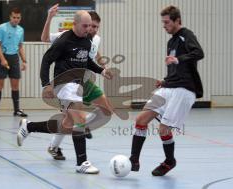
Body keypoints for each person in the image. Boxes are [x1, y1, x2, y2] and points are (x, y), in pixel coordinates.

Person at [17, 10, 113, 174]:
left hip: (79, 84)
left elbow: (87, 61)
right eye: (85, 25)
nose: (88, 28)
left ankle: (29, 127)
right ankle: (82, 163)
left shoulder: (87, 41)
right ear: (74, 24)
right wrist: (46, 84)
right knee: (80, 119)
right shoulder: (64, 41)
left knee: (67, 125)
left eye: (90, 26)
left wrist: (102, 71)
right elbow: (46, 61)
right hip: (64, 84)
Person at [129, 5, 204, 176]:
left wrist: (178, 59)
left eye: (167, 22)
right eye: (163, 22)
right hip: (170, 86)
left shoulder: (187, 35)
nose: (164, 26)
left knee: (164, 128)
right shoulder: (171, 41)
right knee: (141, 119)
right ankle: (134, 159)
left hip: (184, 89)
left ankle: (170, 161)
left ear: (177, 20)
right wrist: (164, 81)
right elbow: (175, 67)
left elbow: (199, 53)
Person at [40, 4, 114, 161]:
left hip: (84, 80)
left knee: (105, 110)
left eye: (95, 27)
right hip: (66, 82)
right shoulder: (65, 37)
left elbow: (88, 58)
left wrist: (102, 70)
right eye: (88, 26)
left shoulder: (92, 40)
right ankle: (80, 159)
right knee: (73, 119)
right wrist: (50, 17)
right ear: (79, 24)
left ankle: (34, 129)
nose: (92, 29)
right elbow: (45, 41)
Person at [0, 7, 27, 117]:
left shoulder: (20, 30)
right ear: (10, 17)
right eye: (14, 17)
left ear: (20, 18)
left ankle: (16, 110)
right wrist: (2, 59)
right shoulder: (2, 28)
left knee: (15, 85)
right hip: (2, 57)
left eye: (18, 18)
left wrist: (24, 60)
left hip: (14, 58)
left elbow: (20, 46)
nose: (16, 19)